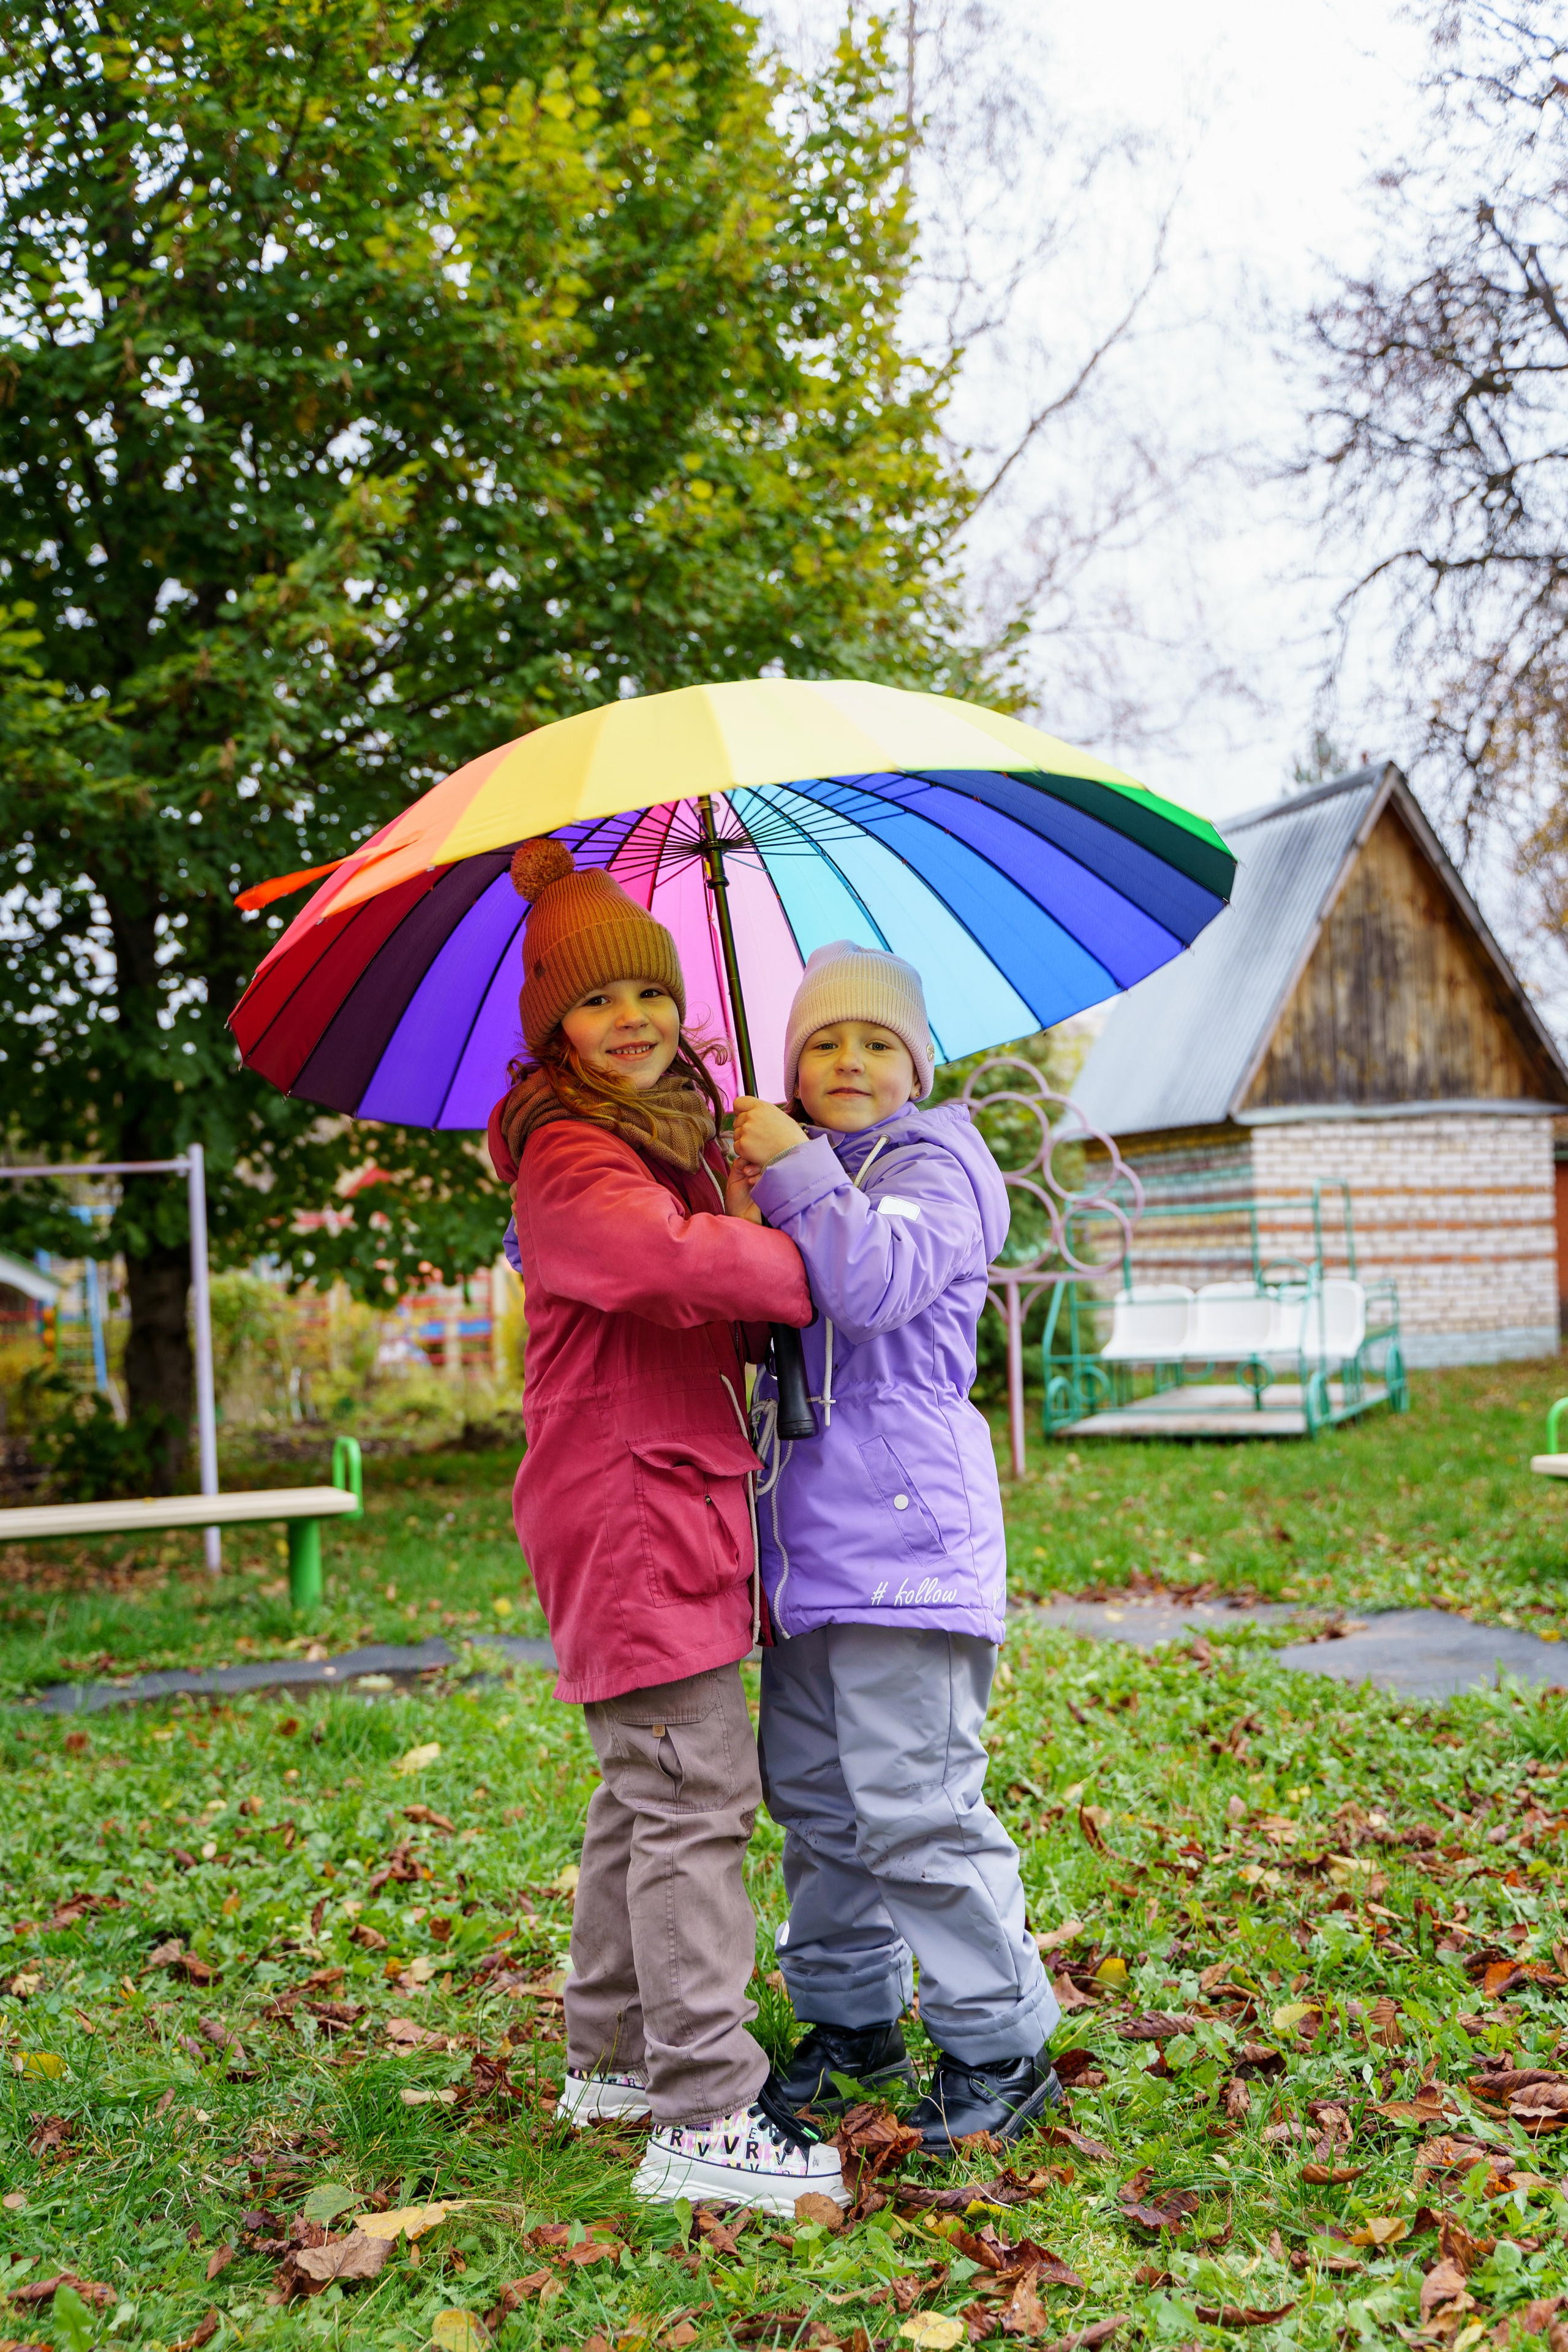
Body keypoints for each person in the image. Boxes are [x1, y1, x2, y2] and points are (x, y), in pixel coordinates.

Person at [488, 839, 846, 2214]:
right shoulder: (570, 1154)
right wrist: (794, 1249)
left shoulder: (664, 1144)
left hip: (657, 1499)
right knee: (695, 1798)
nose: (631, 1018)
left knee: (644, 1792)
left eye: (648, 991)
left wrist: (737, 1186)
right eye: (595, 1001)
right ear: (555, 1029)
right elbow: (658, 1263)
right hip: (631, 1511)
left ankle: (615, 2054)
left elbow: (703, 1284)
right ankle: (706, 2111)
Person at [728, 941, 1062, 2155]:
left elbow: (872, 1284)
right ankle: (851, 2023)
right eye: (822, 1042)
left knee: (916, 1806)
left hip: (906, 1538)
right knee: (818, 1805)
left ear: (917, 1066)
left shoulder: (937, 1165)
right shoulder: (799, 1173)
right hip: (801, 1546)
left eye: (877, 1042)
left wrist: (791, 1169)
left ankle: (999, 2046)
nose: (849, 1060)